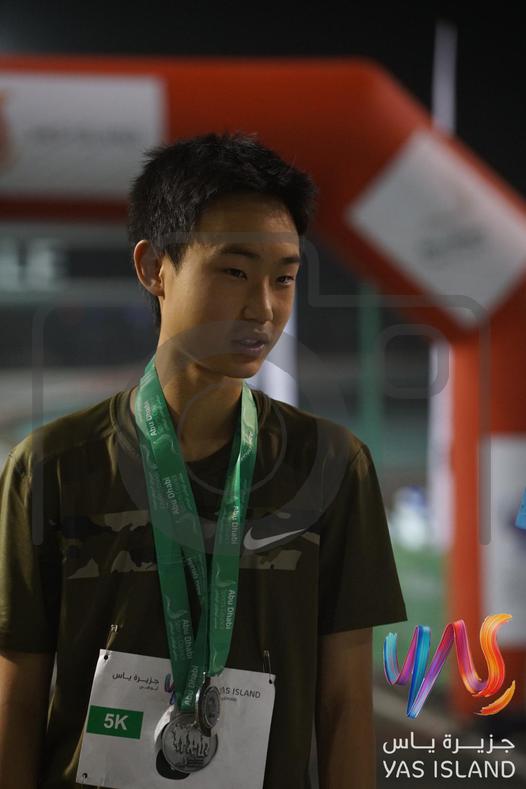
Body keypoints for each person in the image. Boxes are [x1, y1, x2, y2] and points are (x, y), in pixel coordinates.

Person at [0, 130, 407, 789]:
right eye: (234, 272)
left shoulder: (332, 464)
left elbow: (343, 706)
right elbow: (16, 701)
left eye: (284, 278)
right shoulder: (52, 465)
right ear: (153, 267)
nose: (263, 307)